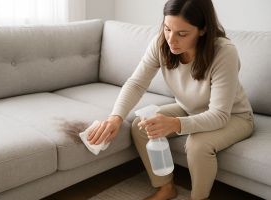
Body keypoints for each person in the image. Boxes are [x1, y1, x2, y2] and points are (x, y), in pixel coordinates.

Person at [87, 0, 254, 199]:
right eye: (167, 29)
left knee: (197, 146)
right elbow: (136, 83)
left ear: (203, 30)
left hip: (234, 117)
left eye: (182, 34)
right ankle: (166, 188)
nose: (171, 40)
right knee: (141, 126)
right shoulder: (161, 43)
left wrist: (175, 124)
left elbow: (218, 115)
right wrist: (116, 117)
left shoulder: (223, 52)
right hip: (190, 109)